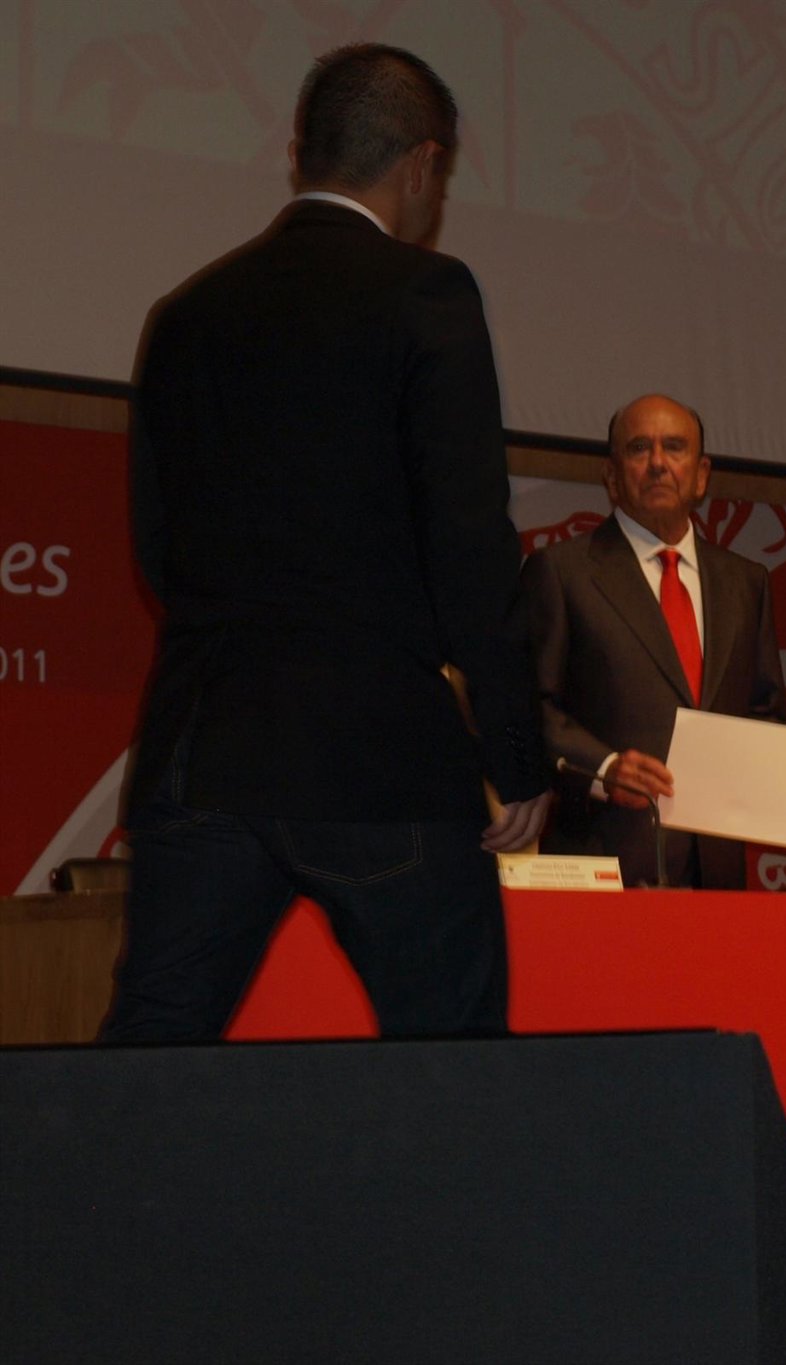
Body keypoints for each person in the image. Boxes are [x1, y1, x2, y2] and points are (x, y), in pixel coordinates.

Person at [102, 44, 549, 1042]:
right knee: (454, 1066)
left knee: (142, 1070)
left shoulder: (187, 313)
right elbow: (469, 544)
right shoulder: (427, 295)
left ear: (299, 152)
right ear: (423, 165)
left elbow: (159, 547)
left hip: (205, 747)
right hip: (376, 754)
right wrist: (516, 751)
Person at [520, 393, 786, 889]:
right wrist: (604, 768)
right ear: (611, 475)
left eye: (674, 447)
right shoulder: (561, 572)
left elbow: (763, 717)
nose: (657, 463)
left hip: (718, 880)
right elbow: (527, 707)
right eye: (638, 448)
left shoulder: (745, 582)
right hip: (605, 868)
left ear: (702, 474)